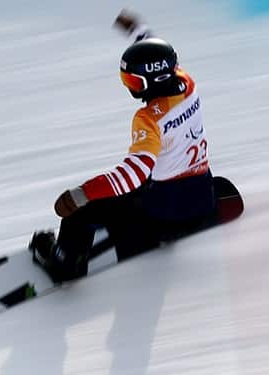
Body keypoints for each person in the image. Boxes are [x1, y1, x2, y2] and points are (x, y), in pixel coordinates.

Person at [29, 10, 217, 282]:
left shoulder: (149, 118)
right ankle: (163, 228)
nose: (129, 88)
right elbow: (160, 53)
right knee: (160, 172)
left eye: (132, 81)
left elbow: (133, 174)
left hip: (165, 212)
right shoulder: (187, 83)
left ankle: (64, 263)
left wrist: (80, 195)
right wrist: (136, 29)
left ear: (149, 83)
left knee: (84, 211)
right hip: (202, 196)